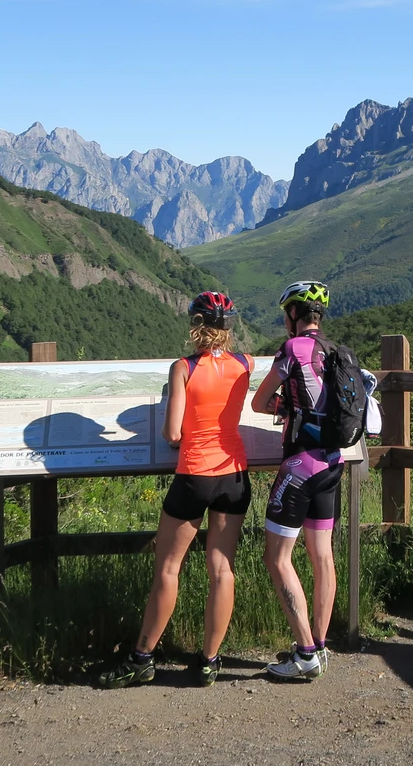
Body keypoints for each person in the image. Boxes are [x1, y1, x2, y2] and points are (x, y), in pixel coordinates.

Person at [98, 291, 252, 689]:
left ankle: (142, 659)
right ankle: (209, 661)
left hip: (194, 474)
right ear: (228, 326)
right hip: (234, 474)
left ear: (195, 325)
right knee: (222, 569)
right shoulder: (245, 364)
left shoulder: (182, 367)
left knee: (168, 568)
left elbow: (172, 432)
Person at [251, 280, 343, 680]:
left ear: (293, 314)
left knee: (277, 557)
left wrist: (281, 403)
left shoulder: (292, 350)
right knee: (322, 556)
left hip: (300, 465)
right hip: (332, 463)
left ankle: (304, 653)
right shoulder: (334, 351)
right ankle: (319, 647)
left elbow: (258, 401)